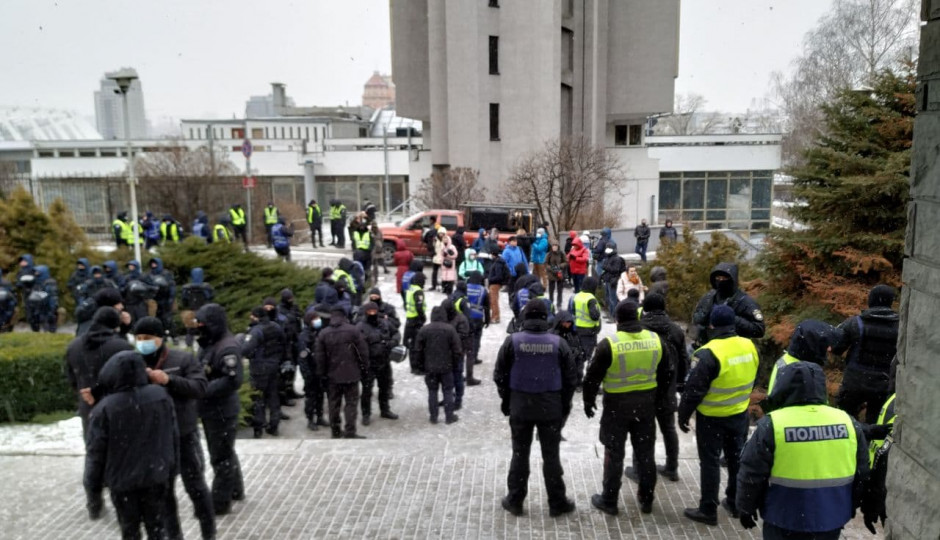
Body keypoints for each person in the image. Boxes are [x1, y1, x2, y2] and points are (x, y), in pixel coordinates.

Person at [736, 361, 871, 540]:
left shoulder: (773, 424)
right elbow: (862, 473)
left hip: (784, 518)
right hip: (830, 519)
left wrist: (746, 507)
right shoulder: (847, 422)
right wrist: (851, 504)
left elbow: (752, 472)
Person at [583, 299, 671, 516]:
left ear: (617, 319)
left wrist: (588, 401)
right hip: (646, 407)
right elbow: (667, 374)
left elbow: (592, 378)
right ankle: (647, 498)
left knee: (614, 453)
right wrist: (659, 400)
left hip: (616, 408)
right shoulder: (656, 341)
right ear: (639, 318)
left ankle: (610, 500)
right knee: (646, 454)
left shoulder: (609, 344)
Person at [133, 317, 215, 540]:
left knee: (196, 486)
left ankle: (209, 532)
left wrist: (169, 380)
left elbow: (199, 387)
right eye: (138, 338)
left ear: (160, 338)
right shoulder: (133, 362)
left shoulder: (182, 359)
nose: (142, 342)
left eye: (147, 338)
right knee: (164, 493)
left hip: (183, 432)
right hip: (155, 439)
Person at [494, 299, 578, 517]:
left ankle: (515, 499)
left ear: (525, 317)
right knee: (551, 456)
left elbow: (500, 375)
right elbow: (571, 379)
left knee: (520, 454)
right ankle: (557, 501)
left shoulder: (512, 341)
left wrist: (507, 400)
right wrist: (563, 406)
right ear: (545, 318)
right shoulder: (559, 343)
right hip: (550, 408)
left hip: (520, 406)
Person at [679, 305, 759, 526]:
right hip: (739, 414)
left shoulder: (707, 353)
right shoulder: (749, 346)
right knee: (736, 460)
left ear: (712, 325)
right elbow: (755, 375)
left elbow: (693, 390)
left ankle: (708, 509)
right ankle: (734, 502)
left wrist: (683, 415)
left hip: (711, 417)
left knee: (711, 462)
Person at [83, 351, 178, 537]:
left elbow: (95, 452)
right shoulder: (160, 396)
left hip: (123, 482)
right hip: (155, 475)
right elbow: (172, 436)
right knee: (157, 527)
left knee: (129, 529)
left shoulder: (105, 409)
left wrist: (93, 489)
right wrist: (171, 469)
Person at [624, 292, 688, 483]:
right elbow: (684, 359)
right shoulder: (675, 330)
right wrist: (680, 382)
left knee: (642, 431)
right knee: (669, 429)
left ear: (645, 308)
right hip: (668, 388)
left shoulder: (640, 329)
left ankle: (639, 469)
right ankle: (671, 467)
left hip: (645, 388)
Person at [194, 303, 245, 515]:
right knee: (225, 451)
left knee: (220, 457)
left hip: (222, 410)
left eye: (202, 324)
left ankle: (220, 503)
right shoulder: (209, 343)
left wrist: (202, 389)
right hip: (211, 409)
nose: (198, 327)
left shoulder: (227, 347)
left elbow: (232, 380)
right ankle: (235, 490)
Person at [831, 284, 898, 424]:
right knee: (875, 424)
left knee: (844, 421)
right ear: (890, 302)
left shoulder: (855, 323)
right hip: (883, 384)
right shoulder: (901, 327)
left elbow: (836, 348)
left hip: (854, 382)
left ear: (871, 300)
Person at [65, 306, 135, 435]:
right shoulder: (121, 347)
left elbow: (72, 378)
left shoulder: (74, 346)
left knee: (94, 450)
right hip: (119, 408)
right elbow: (133, 379)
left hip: (87, 407)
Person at [315, 305, 369, 438]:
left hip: (332, 376)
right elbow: (363, 352)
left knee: (334, 403)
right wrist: (364, 368)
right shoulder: (353, 331)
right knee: (351, 403)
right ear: (345, 315)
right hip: (351, 374)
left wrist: (322, 374)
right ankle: (350, 431)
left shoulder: (323, 333)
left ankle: (335, 431)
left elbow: (320, 357)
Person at [690, 262, 765, 347]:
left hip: (731, 349)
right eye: (718, 278)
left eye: (724, 278)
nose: (720, 281)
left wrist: (732, 319)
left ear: (732, 279)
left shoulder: (744, 301)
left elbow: (759, 330)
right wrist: (703, 318)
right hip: (704, 347)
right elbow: (695, 319)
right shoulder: (709, 297)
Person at [242, 306, 286, 438]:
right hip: (273, 365)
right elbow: (283, 343)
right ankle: (274, 425)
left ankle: (258, 427)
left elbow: (245, 350)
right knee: (273, 396)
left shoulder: (256, 331)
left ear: (256, 316)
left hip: (259, 367)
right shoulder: (276, 326)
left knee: (258, 397)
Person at [414, 306, 463, 424]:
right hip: (446, 366)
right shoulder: (450, 329)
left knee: (432, 391)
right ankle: (449, 416)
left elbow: (418, 350)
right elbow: (457, 350)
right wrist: (455, 363)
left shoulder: (424, 330)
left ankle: (433, 416)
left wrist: (420, 366)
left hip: (430, 367)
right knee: (448, 391)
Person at [765, 319, 834, 401]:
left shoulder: (792, 361)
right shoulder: (798, 370)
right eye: (824, 343)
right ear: (811, 345)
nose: (829, 348)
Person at [356, 302, 400, 424]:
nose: (372, 314)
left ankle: (385, 410)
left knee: (384, 388)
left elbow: (396, 333)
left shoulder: (384, 323)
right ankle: (366, 414)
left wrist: (393, 342)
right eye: (369, 312)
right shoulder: (360, 326)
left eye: (374, 311)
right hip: (368, 364)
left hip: (384, 361)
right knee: (367, 391)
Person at [298, 307, 329, 431]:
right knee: (311, 396)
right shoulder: (304, 337)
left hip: (320, 371)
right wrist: (307, 374)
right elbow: (303, 358)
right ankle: (310, 419)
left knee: (320, 395)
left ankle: (320, 416)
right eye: (315, 319)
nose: (318, 321)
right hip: (311, 371)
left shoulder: (319, 333)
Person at [569, 276, 602, 385]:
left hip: (578, 329)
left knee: (579, 356)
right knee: (589, 358)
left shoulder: (577, 296)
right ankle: (587, 381)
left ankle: (577, 380)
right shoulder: (591, 299)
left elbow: (573, 311)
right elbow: (594, 316)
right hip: (589, 331)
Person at [458, 272, 489, 385]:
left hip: (465, 318)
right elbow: (487, 306)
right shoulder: (483, 290)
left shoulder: (465, 287)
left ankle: (463, 360)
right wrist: (488, 319)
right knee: (476, 338)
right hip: (478, 317)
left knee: (464, 339)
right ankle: (474, 356)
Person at [443, 298, 471, 410]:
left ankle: (458, 400)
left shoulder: (461, 319)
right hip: (446, 353)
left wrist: (449, 339)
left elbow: (463, 335)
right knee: (446, 377)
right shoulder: (445, 317)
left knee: (458, 377)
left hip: (457, 353)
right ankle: (448, 398)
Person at [180, 267, 214, 347]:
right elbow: (210, 298)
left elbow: (184, 300)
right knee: (205, 329)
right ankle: (205, 345)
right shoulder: (206, 287)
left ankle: (189, 345)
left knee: (190, 330)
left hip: (192, 310)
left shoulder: (187, 288)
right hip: (203, 310)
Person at [145, 257, 176, 339]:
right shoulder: (149, 274)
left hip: (165, 299)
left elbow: (171, 286)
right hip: (155, 299)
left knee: (168, 319)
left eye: (155, 263)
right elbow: (146, 285)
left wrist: (171, 298)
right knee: (157, 318)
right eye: (152, 264)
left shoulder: (166, 274)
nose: (153, 265)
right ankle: (161, 335)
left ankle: (173, 335)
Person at [26, 264, 58, 333]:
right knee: (36, 321)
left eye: (38, 272)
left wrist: (52, 309)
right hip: (38, 306)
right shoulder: (36, 283)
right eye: (35, 272)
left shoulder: (49, 283)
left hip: (47, 307)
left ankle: (50, 334)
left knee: (48, 322)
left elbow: (52, 297)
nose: (36, 274)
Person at [600, 241, 627, 320]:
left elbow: (615, 270)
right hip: (608, 280)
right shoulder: (608, 257)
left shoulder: (617, 259)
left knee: (613, 299)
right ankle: (611, 313)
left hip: (613, 281)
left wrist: (605, 267)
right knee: (608, 298)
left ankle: (614, 316)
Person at [487, 247, 510, 324]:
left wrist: (491, 279)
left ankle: (495, 317)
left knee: (494, 301)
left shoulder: (497, 263)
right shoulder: (498, 262)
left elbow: (498, 276)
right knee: (493, 301)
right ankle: (494, 316)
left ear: (493, 254)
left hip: (495, 284)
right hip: (495, 284)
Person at [546, 242, 567, 311]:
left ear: (558, 247)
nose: (554, 247)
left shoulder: (561, 254)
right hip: (551, 274)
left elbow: (566, 262)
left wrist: (560, 266)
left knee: (559, 290)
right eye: (553, 246)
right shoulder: (549, 254)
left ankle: (559, 303)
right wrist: (551, 268)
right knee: (551, 291)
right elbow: (546, 264)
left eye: (555, 246)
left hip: (559, 273)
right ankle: (550, 303)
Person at [393, 239, 414, 303]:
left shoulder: (396, 254)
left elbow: (395, 263)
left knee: (400, 285)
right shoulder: (409, 253)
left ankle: (404, 300)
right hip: (407, 269)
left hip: (400, 270)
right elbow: (412, 261)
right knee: (408, 284)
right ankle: (408, 299)